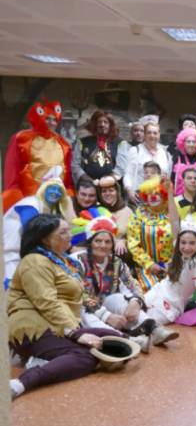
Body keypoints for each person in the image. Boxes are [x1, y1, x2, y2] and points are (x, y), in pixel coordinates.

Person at [7, 214, 129, 400]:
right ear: (45, 239)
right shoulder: (34, 261)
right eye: (63, 232)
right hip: (33, 326)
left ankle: (50, 360)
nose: (69, 235)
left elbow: (80, 298)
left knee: (116, 339)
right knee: (86, 356)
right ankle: (22, 383)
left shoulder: (63, 261)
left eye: (68, 230)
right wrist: (75, 333)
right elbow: (47, 303)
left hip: (58, 323)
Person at [75, 215, 146, 339]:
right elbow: (79, 294)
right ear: (90, 243)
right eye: (98, 241)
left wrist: (136, 301)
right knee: (83, 311)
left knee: (119, 298)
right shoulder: (77, 262)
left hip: (106, 306)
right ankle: (123, 339)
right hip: (85, 308)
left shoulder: (117, 262)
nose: (103, 246)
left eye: (108, 242)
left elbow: (132, 284)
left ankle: (151, 327)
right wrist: (105, 315)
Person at [144, 221, 196, 333]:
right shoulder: (178, 256)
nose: (187, 247)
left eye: (192, 243)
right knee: (134, 309)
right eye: (183, 242)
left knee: (146, 322)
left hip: (171, 305)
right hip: (158, 292)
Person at [3, 168, 76, 285]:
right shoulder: (31, 203)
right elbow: (32, 230)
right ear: (44, 189)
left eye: (59, 191)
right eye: (52, 188)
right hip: (12, 249)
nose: (55, 192)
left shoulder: (51, 210)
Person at [3, 100, 73, 211]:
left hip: (56, 202)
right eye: (47, 119)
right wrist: (15, 199)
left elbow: (67, 177)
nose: (51, 123)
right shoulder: (21, 138)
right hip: (29, 201)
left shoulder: (63, 144)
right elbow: (12, 172)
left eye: (54, 120)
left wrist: (69, 198)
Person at [127, 176, 175, 291]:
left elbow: (180, 238)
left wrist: (174, 262)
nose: (153, 197)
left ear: (163, 195)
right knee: (152, 293)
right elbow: (133, 244)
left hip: (172, 266)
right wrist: (150, 264)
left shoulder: (172, 212)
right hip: (147, 268)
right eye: (149, 193)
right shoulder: (139, 214)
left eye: (157, 193)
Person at [71, 110, 127, 184]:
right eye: (99, 122)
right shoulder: (82, 142)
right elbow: (75, 165)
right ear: (95, 125)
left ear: (110, 125)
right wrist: (89, 180)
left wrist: (108, 181)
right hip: (88, 185)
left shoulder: (120, 143)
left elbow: (121, 168)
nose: (102, 125)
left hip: (112, 186)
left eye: (105, 122)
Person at [123, 120, 172, 197]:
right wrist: (129, 190)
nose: (152, 136)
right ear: (144, 135)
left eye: (155, 133)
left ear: (159, 135)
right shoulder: (135, 151)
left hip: (159, 197)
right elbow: (128, 174)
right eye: (149, 133)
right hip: (139, 195)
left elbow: (168, 177)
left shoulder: (166, 154)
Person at [97, 175, 132, 256]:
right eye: (104, 191)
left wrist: (124, 241)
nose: (107, 194)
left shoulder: (127, 211)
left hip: (121, 254)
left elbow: (134, 235)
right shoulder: (97, 211)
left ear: (117, 192)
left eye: (111, 190)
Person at [171, 127, 196, 196]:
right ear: (183, 143)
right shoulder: (178, 158)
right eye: (188, 142)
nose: (191, 144)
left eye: (194, 142)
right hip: (181, 197)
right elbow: (172, 179)